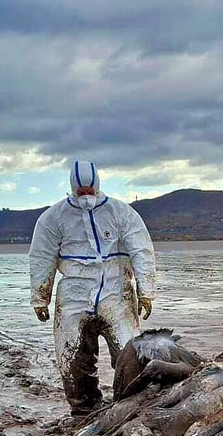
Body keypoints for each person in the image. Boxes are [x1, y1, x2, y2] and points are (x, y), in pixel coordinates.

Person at [29, 160, 157, 415]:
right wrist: (40, 296)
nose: (86, 195)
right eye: (81, 191)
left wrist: (146, 291)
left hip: (117, 292)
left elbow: (141, 250)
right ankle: (83, 410)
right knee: (72, 357)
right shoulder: (54, 218)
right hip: (74, 294)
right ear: (73, 188)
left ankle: (130, 406)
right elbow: (42, 256)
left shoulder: (121, 213)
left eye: (90, 190)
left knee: (129, 353)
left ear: (97, 185)